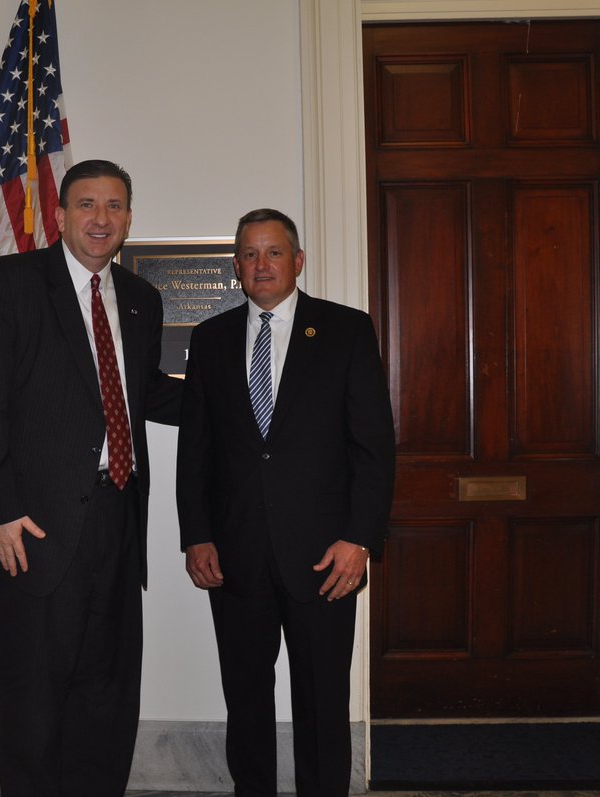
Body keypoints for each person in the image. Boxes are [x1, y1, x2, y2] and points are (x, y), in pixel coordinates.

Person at [0, 159, 181, 797]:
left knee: (107, 694)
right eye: (87, 204)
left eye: (114, 206)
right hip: (33, 526)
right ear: (59, 215)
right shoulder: (10, 283)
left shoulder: (140, 299)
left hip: (118, 517)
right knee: (35, 699)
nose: (101, 219)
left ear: (129, 219)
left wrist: (242, 395)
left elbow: (144, 392)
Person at [176, 208, 396, 797]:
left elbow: (373, 448)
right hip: (235, 556)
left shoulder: (347, 331)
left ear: (298, 261)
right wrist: (196, 535)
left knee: (322, 700)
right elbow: (195, 452)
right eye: (250, 254)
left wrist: (360, 539)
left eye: (274, 252)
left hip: (326, 558)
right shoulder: (211, 340)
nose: (262, 264)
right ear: (236, 267)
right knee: (245, 697)